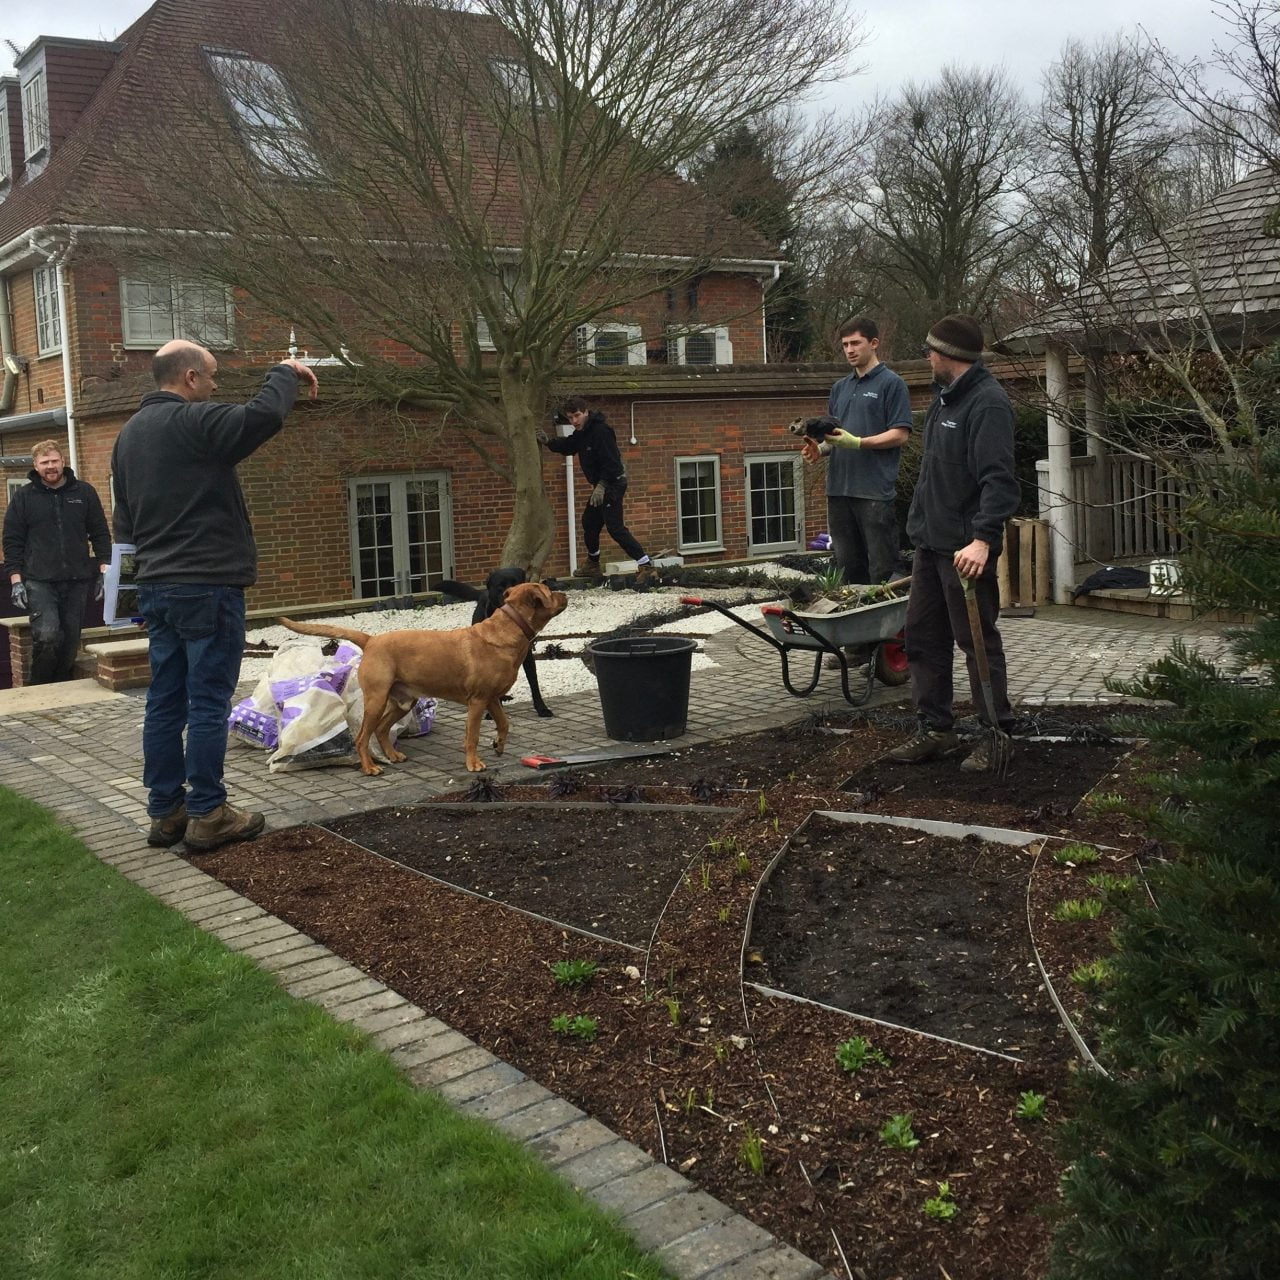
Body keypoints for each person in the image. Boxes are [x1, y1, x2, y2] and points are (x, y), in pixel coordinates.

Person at [111, 340, 318, 850]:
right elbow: (263, 415)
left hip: (157, 589)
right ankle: (208, 813)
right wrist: (285, 370)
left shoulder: (128, 436)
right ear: (188, 379)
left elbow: (124, 526)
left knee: (164, 700)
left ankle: (166, 812)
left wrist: (129, 600)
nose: (215, 385)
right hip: (206, 587)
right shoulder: (195, 424)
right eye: (212, 376)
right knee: (207, 702)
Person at [887, 314, 1020, 773]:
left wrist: (983, 539)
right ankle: (936, 730)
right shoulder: (946, 400)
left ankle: (996, 734)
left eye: (930, 350)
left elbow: (1000, 482)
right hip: (931, 544)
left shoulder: (987, 405)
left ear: (949, 355)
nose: (926, 356)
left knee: (977, 642)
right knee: (923, 639)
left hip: (966, 552)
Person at [800, 316, 913, 584]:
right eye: (845, 345)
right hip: (838, 491)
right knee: (848, 572)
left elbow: (900, 434)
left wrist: (859, 443)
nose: (850, 350)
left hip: (874, 492)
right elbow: (837, 437)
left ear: (874, 343)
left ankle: (889, 625)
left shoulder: (891, 384)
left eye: (856, 343)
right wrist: (821, 449)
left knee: (882, 572)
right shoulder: (840, 387)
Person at [3, 440, 111, 684]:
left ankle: (62, 685)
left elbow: (100, 533)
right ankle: (38, 687)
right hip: (39, 580)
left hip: (77, 579)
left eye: (54, 461)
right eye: (44, 463)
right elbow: (12, 541)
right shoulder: (23, 498)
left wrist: (106, 570)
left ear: (63, 461)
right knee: (48, 634)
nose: (50, 466)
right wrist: (16, 580)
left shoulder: (84, 493)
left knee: (71, 640)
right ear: (35, 466)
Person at [538, 396, 654, 585]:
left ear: (585, 412)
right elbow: (569, 446)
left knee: (615, 527)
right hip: (599, 487)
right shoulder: (582, 433)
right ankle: (593, 564)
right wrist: (548, 442)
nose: (574, 421)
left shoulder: (601, 431)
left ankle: (646, 565)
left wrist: (601, 486)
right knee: (589, 522)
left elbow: (613, 463)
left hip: (612, 484)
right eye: (570, 418)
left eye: (577, 416)